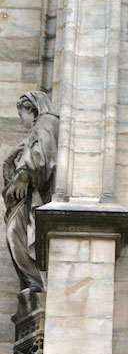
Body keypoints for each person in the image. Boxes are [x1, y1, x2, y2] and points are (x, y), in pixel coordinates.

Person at [3, 92, 59, 292]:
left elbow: (43, 152)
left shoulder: (47, 122)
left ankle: (36, 281)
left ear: (30, 109)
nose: (22, 122)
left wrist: (25, 174)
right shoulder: (37, 128)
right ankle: (33, 282)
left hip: (33, 194)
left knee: (15, 233)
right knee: (14, 234)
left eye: (21, 116)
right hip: (25, 196)